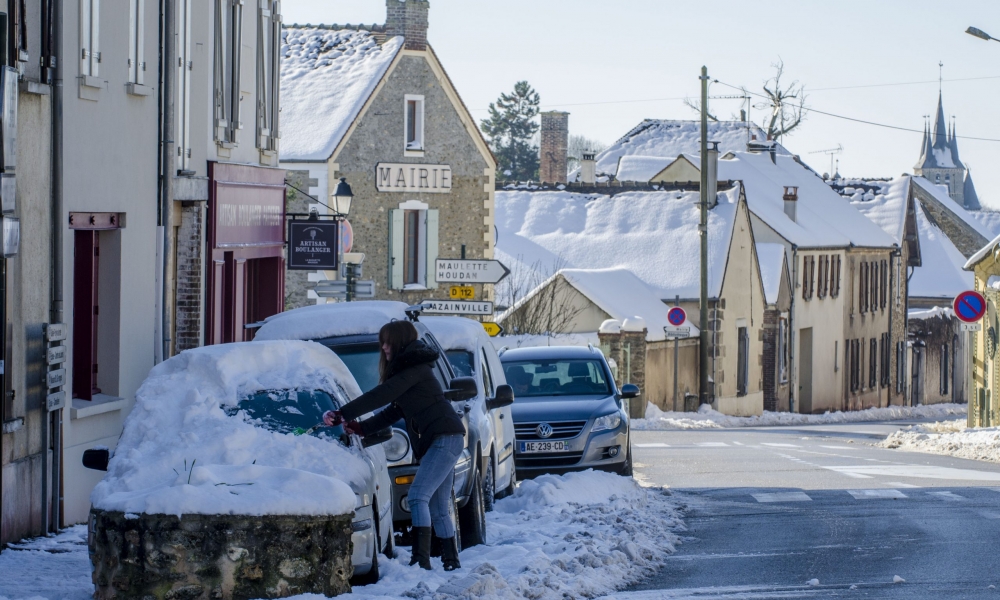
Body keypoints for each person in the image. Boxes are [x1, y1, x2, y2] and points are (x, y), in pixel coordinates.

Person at [324, 320, 466, 571]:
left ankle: (421, 560)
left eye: (388, 342)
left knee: (417, 496)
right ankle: (451, 562)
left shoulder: (415, 370)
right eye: (382, 342)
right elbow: (393, 411)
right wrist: (361, 428)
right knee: (438, 506)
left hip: (444, 438)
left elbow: (381, 395)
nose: (384, 347)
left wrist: (342, 413)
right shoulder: (411, 371)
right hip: (445, 438)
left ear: (400, 342)